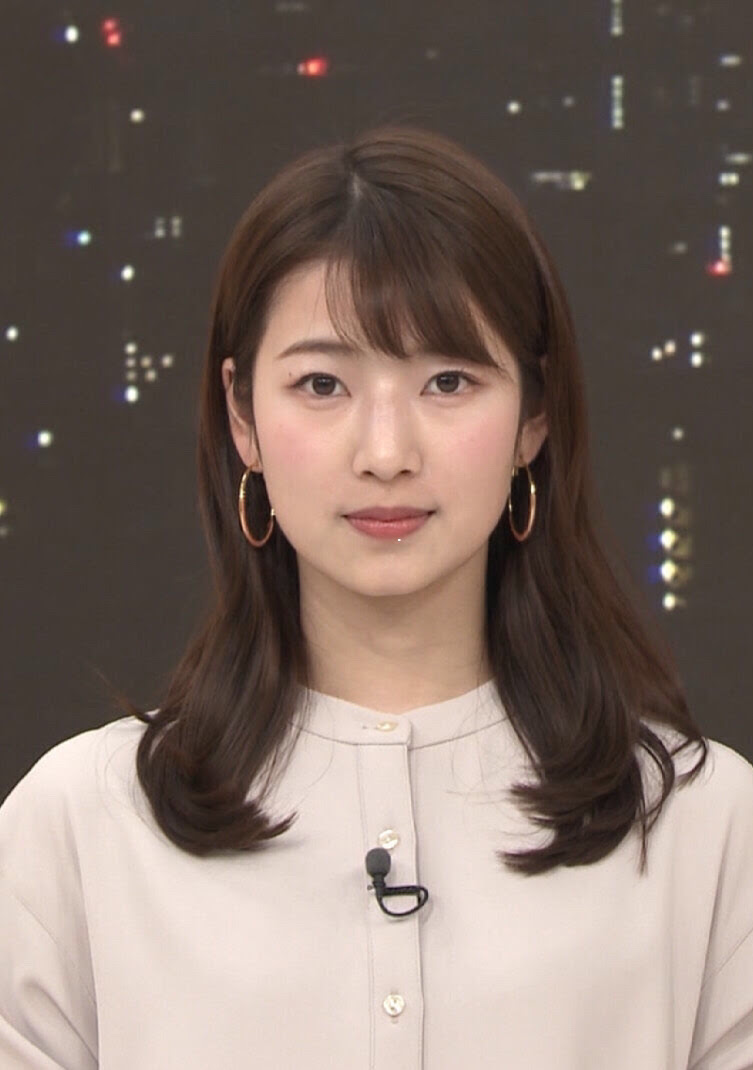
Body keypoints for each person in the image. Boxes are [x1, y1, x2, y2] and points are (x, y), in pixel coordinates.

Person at [1, 123, 751, 1069]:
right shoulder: (80, 824)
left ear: (532, 415)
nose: (385, 452)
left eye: (448, 380)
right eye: (322, 384)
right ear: (241, 415)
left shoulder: (703, 826)